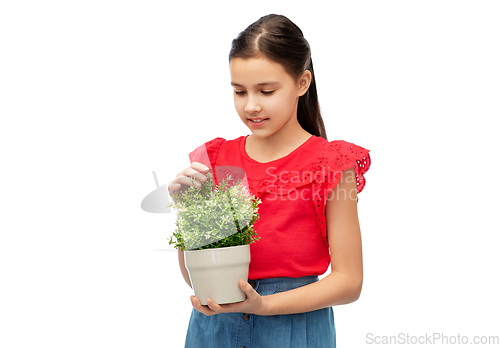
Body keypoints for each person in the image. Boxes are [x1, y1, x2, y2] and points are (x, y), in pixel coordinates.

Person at [168, 14, 371, 348]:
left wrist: (263, 306)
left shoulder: (330, 165)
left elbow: (349, 281)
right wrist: (189, 214)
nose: (251, 105)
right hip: (215, 331)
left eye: (266, 90)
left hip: (293, 330)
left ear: (302, 83)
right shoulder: (215, 158)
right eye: (239, 91)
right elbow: (195, 275)